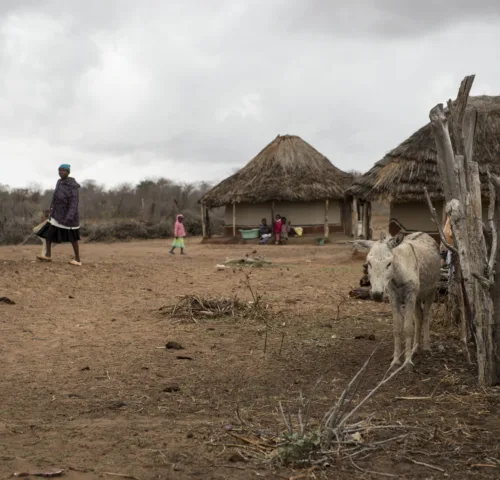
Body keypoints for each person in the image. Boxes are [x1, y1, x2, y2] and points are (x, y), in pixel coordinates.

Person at [36, 164, 82, 266]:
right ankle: (48, 255)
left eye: (63, 170)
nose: (61, 172)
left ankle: (78, 259)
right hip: (57, 214)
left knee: (73, 238)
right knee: (49, 233)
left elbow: (74, 203)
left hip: (69, 217)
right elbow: (55, 198)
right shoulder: (59, 182)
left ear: (68, 172)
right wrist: (51, 211)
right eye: (59, 170)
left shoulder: (73, 186)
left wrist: (69, 217)